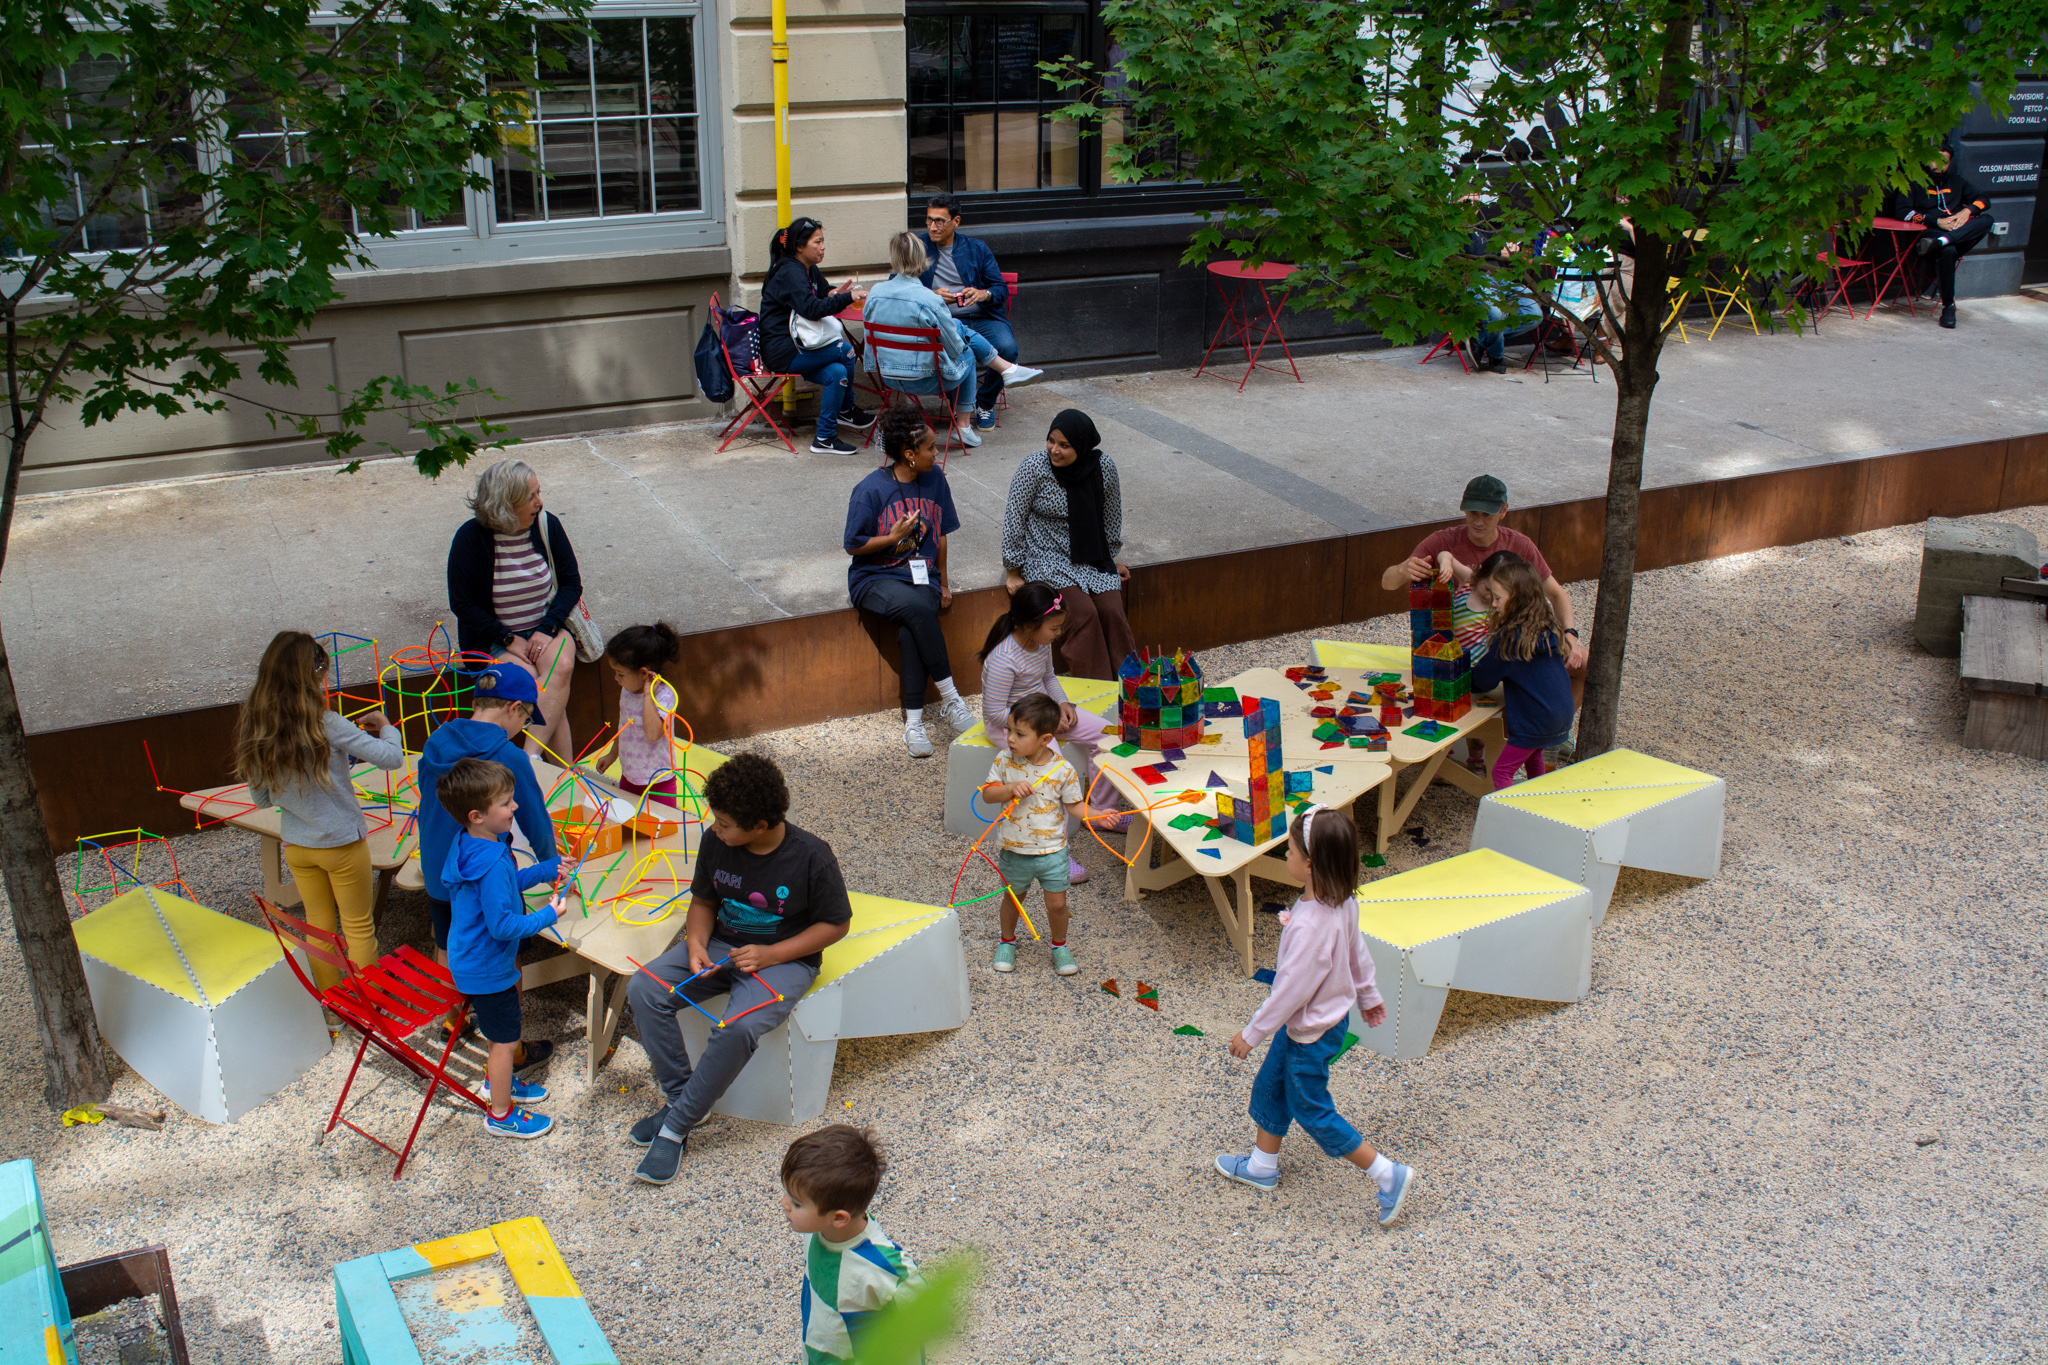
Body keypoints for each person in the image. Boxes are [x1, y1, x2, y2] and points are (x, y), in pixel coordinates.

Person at [626, 753, 852, 1186]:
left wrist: (771, 955)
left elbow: (837, 924)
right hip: (720, 945)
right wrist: (695, 943)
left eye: (726, 823)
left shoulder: (811, 856)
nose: (716, 828)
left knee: (736, 1027)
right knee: (644, 989)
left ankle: (675, 1127)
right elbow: (704, 901)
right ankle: (684, 1100)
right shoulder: (717, 841)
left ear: (760, 826)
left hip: (785, 959)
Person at [1213, 806, 1417, 1227]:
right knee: (1272, 1085)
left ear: (1310, 864)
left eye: (1289, 850)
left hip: (1310, 1028)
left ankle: (1386, 1173)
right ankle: (1262, 1166)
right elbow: (1356, 952)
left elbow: (1290, 990)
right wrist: (1368, 993)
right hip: (1319, 1022)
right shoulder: (1339, 901)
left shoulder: (1311, 925)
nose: (1284, 855)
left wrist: (1251, 1033)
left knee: (1310, 1107)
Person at [234, 631, 404, 989]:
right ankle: (369, 1004)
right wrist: (387, 727)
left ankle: (330, 1004)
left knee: (319, 927)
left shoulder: (258, 726)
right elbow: (391, 758)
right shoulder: (327, 723)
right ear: (312, 678)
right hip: (342, 843)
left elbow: (263, 800)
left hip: (298, 845)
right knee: (358, 926)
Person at [417, 662, 562, 1067]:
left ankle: (452, 1018)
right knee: (502, 957)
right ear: (515, 708)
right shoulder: (507, 756)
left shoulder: (436, 742)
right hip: (487, 876)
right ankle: (511, 1050)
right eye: (528, 718)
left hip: (441, 870)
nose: (526, 728)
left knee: (449, 942)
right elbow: (534, 817)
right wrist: (553, 864)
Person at [1381, 473, 1588, 729]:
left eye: (1486, 515)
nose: (1477, 522)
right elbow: (1387, 583)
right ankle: (1514, 736)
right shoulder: (1444, 540)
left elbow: (1556, 594)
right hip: (1468, 653)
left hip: (1508, 645)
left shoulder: (1519, 545)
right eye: (1472, 513)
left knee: (1586, 664)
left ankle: (1554, 731)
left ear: (1503, 511)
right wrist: (1403, 570)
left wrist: (1570, 635)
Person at [437, 756, 562, 1138]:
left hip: (474, 961)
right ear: (477, 814)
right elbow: (504, 925)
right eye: (506, 803)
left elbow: (506, 884)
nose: (516, 807)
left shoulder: (475, 844)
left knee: (500, 1037)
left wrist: (547, 868)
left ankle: (499, 1082)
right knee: (505, 1042)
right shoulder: (490, 861)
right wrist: (549, 915)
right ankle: (502, 1115)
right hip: (488, 970)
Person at [976, 579, 1131, 885]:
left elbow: (1048, 677)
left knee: (1110, 736)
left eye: (1060, 627)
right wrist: (1043, 724)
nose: (1059, 634)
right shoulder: (1003, 659)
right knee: (1051, 771)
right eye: (1054, 628)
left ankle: (1099, 812)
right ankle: (1054, 851)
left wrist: (1061, 704)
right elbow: (993, 712)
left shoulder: (1039, 643)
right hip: (1013, 727)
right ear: (1030, 624)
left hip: (1044, 716)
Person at [845, 400, 975, 757]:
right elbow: (852, 546)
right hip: (875, 579)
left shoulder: (935, 481)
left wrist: (944, 582)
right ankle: (951, 699)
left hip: (923, 580)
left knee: (911, 628)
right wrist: (891, 538)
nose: (937, 452)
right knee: (918, 612)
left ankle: (914, 724)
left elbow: (943, 534)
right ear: (908, 454)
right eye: (930, 448)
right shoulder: (870, 490)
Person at [446, 458, 581, 762]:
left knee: (560, 667)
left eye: (538, 492)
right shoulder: (470, 538)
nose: (539, 502)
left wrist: (546, 629)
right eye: (530, 496)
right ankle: (565, 771)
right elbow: (462, 603)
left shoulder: (548, 525)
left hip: (546, 626)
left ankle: (530, 758)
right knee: (531, 683)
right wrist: (508, 639)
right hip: (493, 637)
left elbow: (571, 583)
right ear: (506, 504)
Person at [863, 231, 1042, 450]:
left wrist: (875, 366)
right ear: (923, 259)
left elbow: (869, 340)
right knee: (965, 348)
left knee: (958, 330)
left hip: (889, 377)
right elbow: (955, 347)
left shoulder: (874, 293)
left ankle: (1006, 370)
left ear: (893, 258)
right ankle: (965, 425)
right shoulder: (929, 299)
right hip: (927, 379)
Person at [979, 693, 1116, 978]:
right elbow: (988, 794)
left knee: (1058, 904)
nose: (1011, 739)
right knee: (1013, 899)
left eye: (1019, 733)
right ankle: (1007, 942)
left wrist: (1099, 814)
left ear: (1044, 739)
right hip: (1015, 850)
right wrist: (1010, 789)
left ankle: (1059, 946)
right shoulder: (1005, 760)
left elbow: (1075, 806)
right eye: (1009, 730)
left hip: (1052, 852)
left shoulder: (1062, 770)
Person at [1001, 410, 1134, 680]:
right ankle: (1099, 697)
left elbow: (1111, 517)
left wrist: (1108, 558)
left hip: (1091, 557)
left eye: (1065, 445)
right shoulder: (1034, 468)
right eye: (1051, 441)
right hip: (1046, 557)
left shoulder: (1103, 467)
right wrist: (1013, 570)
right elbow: (1014, 518)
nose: (1054, 450)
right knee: (1082, 615)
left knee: (1112, 612)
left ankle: (1132, 692)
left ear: (1083, 446)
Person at [781, 1125, 924, 1364]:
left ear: (839, 1218)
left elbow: (923, 1315)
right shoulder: (817, 1230)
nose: (784, 1203)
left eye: (796, 1203)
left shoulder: (881, 1268)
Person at [759, 217, 874, 455]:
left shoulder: (807, 267)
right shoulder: (790, 271)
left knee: (837, 373)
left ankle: (824, 437)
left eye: (823, 241)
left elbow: (821, 292)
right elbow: (810, 308)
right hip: (783, 350)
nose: (823, 247)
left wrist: (835, 292)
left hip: (800, 346)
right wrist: (849, 297)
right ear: (800, 246)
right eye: (818, 241)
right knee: (846, 350)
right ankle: (846, 410)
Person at [1464, 558, 1575, 788]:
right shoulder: (1547, 627)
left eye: (1498, 598)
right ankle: (1538, 805)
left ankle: (1514, 820)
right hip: (1560, 714)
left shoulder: (1510, 639)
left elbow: (1483, 680)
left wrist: (1459, 675)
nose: (1493, 604)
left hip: (1536, 720)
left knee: (1501, 772)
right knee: (1533, 756)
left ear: (1516, 598)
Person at [918, 193, 1018, 431]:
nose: (933, 226)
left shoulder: (976, 249)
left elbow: (999, 288)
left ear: (956, 221)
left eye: (940, 221)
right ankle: (962, 405)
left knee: (1007, 348)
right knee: (958, 352)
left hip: (982, 317)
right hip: (945, 321)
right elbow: (898, 284)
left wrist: (983, 294)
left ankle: (984, 403)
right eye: (929, 220)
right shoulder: (917, 248)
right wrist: (930, 295)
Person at [1900, 144, 1992, 330]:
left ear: (1949, 163)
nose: (1937, 165)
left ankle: (1945, 240)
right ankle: (1948, 307)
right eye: (1934, 159)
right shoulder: (1913, 182)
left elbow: (1985, 200)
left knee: (1987, 219)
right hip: (1927, 237)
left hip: (1955, 235)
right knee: (1948, 251)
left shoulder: (1956, 181)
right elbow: (1903, 213)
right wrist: (1936, 222)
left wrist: (1968, 210)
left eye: (1944, 162)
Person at [588, 622, 683, 802]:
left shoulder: (665, 696)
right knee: (630, 827)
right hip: (629, 777)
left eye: (620, 674)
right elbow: (625, 727)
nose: (616, 679)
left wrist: (648, 695)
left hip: (659, 783)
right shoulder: (627, 691)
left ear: (643, 674)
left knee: (660, 829)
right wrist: (612, 754)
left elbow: (653, 734)